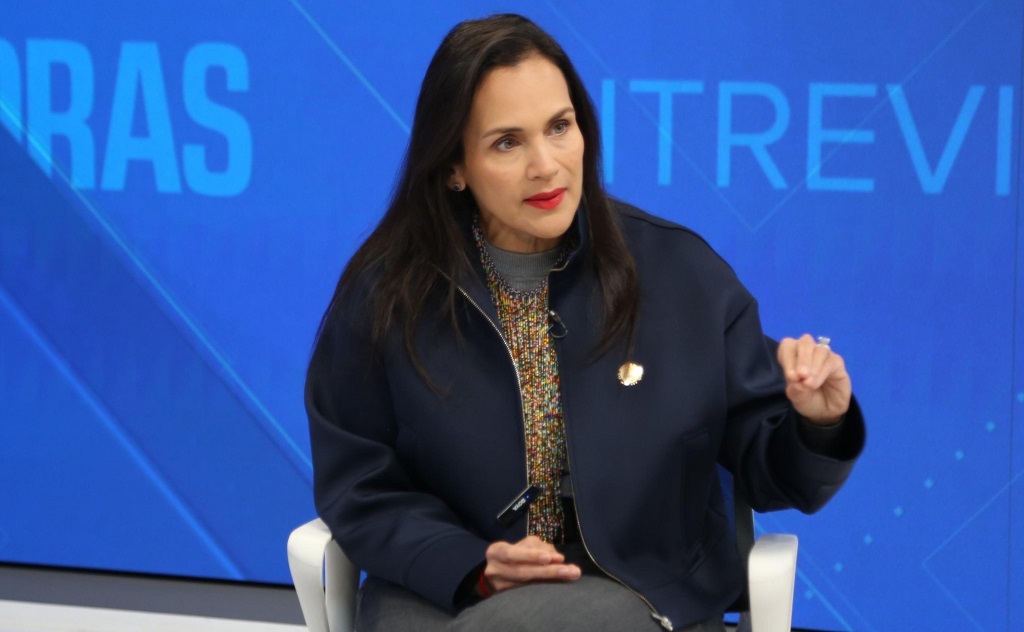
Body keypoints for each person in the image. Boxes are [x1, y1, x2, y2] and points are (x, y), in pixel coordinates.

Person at [305, 13, 865, 632]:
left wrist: (819, 424)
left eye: (559, 127)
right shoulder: (388, 293)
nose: (546, 165)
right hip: (447, 590)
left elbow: (774, 471)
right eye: (507, 142)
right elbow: (360, 484)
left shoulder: (680, 275)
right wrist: (471, 566)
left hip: (634, 593)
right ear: (453, 167)